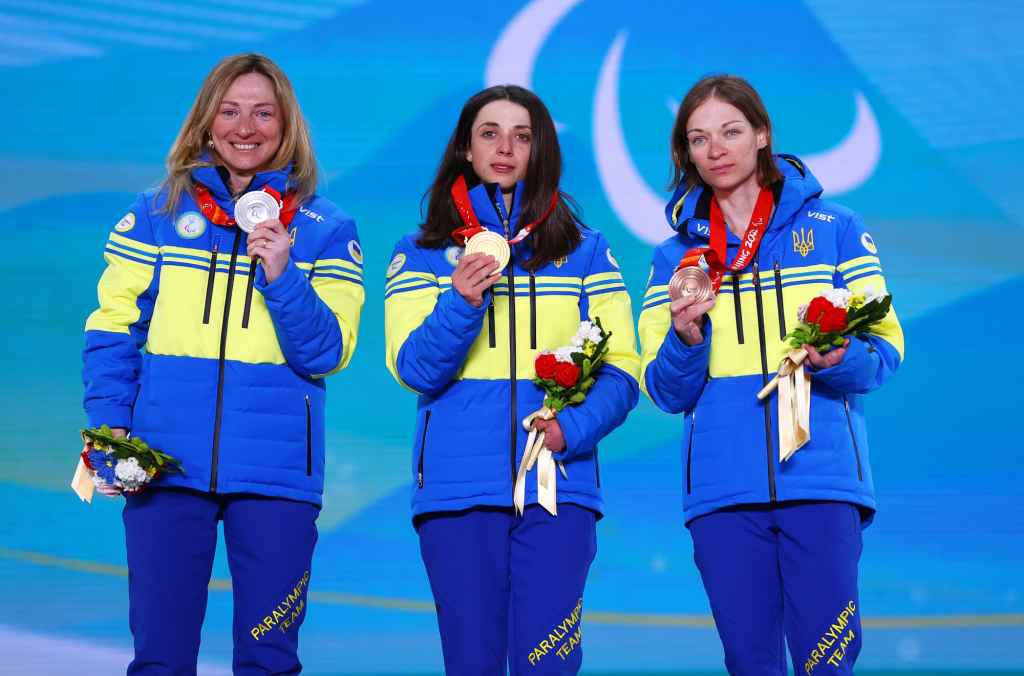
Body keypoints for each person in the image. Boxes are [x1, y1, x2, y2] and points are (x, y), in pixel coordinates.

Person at [81, 53, 364, 674]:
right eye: (230, 111)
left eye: (264, 113)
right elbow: (112, 328)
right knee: (160, 656)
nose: (246, 127)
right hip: (163, 466)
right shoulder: (154, 215)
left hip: (277, 473)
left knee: (269, 657)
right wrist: (108, 427)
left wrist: (284, 274)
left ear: (286, 126)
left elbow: (327, 351)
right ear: (207, 123)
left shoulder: (326, 228)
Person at [638, 75, 904, 675]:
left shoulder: (835, 229)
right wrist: (686, 338)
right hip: (722, 488)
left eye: (731, 131)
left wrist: (841, 359)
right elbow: (665, 390)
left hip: (822, 478)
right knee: (750, 661)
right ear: (686, 153)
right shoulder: (673, 258)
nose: (717, 149)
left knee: (828, 660)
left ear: (761, 135)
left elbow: (884, 349)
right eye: (699, 138)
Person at [384, 84, 639, 675]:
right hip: (457, 488)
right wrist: (461, 303)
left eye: (522, 136)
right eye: (489, 134)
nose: (505, 147)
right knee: (471, 664)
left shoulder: (584, 251)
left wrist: (569, 430)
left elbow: (622, 366)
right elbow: (414, 367)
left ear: (539, 150)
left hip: (557, 486)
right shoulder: (420, 252)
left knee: (549, 664)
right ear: (466, 151)